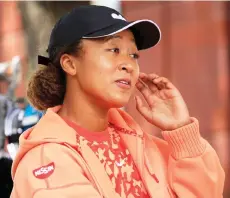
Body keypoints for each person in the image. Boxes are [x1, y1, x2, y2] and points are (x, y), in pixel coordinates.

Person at [10, 5, 225, 198]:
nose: (128, 65)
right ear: (70, 64)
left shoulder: (142, 145)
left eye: (133, 55)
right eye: (114, 50)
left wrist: (181, 131)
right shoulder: (46, 158)